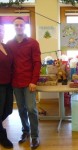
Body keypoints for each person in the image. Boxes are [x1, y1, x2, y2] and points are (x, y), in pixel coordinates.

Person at [7, 17, 41, 149]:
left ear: (25, 27)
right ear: (14, 27)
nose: (19, 27)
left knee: (32, 109)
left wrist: (34, 81)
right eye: (16, 25)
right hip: (15, 82)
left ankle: (35, 136)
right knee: (21, 109)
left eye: (21, 25)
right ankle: (25, 131)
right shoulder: (9, 44)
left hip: (29, 83)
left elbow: (37, 63)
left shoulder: (33, 43)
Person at [0, 24, 13, 148]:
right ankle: (2, 137)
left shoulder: (5, 46)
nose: (1, 33)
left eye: (2, 31)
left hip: (8, 83)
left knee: (8, 110)